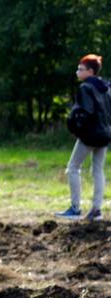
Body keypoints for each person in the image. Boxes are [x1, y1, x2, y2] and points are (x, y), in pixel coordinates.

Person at [59, 54, 111, 222]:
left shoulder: (85, 87)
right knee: (98, 171)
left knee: (73, 167)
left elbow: (86, 112)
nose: (77, 72)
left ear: (90, 71)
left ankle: (75, 208)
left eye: (80, 69)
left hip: (89, 136)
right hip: (105, 135)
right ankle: (96, 210)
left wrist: (77, 131)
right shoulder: (107, 87)